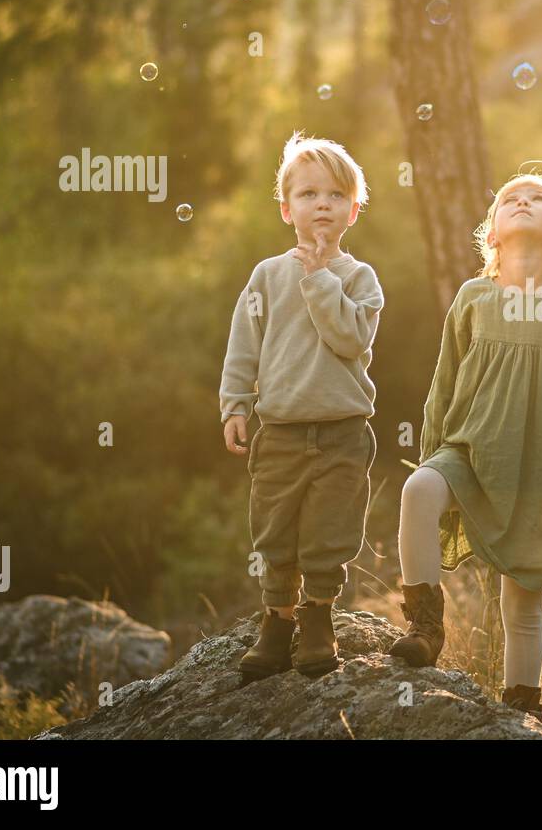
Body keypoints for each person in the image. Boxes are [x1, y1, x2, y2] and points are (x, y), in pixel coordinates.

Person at [389, 173, 542, 721]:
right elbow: (443, 384)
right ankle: (425, 623)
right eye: (510, 199)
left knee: (523, 603)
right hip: (466, 451)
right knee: (418, 489)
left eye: (539, 199)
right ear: (491, 235)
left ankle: (523, 706)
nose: (522, 202)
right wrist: (431, 451)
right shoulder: (474, 297)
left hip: (537, 471)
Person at [219, 131, 382, 680]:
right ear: (287, 208)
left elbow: (349, 340)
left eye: (336, 195)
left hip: (342, 431)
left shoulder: (359, 279)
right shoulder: (267, 275)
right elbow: (244, 344)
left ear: (353, 210)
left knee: (328, 533)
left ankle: (317, 616)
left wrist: (318, 276)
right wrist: (235, 404)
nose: (322, 204)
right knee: (275, 531)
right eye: (310, 194)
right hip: (282, 432)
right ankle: (277, 619)